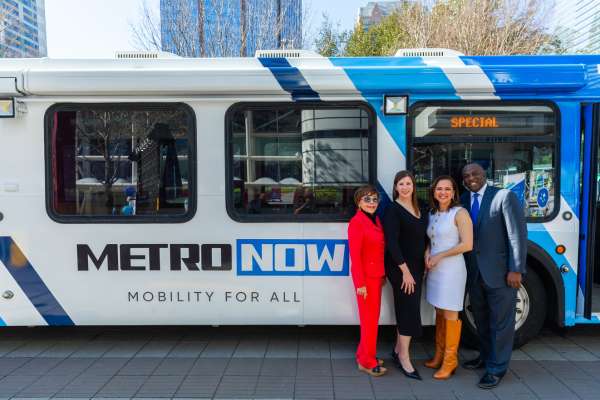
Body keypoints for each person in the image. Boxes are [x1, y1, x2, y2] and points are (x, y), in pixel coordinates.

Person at [460, 163, 527, 389]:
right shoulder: (462, 200)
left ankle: (497, 368)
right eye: (466, 175)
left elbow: (516, 235)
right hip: (474, 274)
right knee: (481, 321)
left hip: (501, 274)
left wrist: (516, 269)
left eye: (475, 174)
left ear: (484, 175)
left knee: (501, 323)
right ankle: (486, 357)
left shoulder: (503, 196)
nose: (471, 178)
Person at [424, 176, 473, 379]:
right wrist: (427, 253)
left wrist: (440, 256)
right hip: (435, 270)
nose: (442, 192)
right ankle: (439, 354)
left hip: (452, 271)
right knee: (439, 311)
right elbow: (431, 239)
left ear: (454, 192)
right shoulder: (433, 213)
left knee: (451, 314)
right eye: (439, 189)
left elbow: (467, 244)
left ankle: (450, 361)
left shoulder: (460, 213)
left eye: (447, 189)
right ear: (433, 192)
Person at [382, 171, 427, 380]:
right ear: (395, 187)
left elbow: (424, 238)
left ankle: (397, 350)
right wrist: (406, 272)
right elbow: (392, 243)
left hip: (417, 267)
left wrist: (426, 255)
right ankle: (405, 358)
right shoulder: (393, 210)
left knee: (408, 307)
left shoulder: (420, 208)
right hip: (400, 268)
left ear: (414, 186)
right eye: (401, 183)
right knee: (408, 310)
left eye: (409, 183)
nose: (405, 187)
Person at [348, 185, 387, 377]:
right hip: (366, 281)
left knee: (371, 320)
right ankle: (366, 362)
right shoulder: (357, 222)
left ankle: (364, 354)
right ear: (358, 202)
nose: (371, 203)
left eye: (374, 199)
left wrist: (382, 274)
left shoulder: (375, 219)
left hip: (376, 277)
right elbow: (355, 256)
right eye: (366, 199)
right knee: (369, 321)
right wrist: (360, 284)